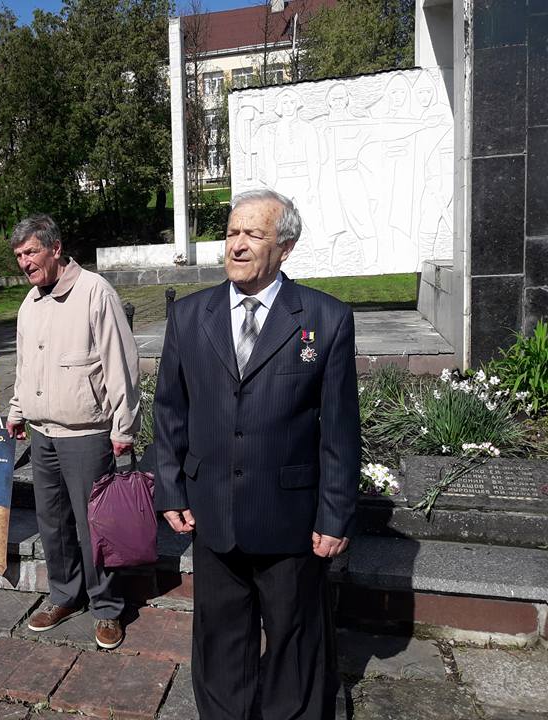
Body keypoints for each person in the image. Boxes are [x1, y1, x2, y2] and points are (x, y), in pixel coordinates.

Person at [153, 189, 360, 719]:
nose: (237, 245)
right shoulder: (189, 316)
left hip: (289, 519)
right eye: (231, 232)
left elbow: (339, 430)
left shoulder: (326, 318)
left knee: (294, 645)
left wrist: (335, 514)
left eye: (253, 234)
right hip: (212, 513)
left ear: (285, 247)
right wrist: (170, 487)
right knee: (220, 643)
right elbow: (170, 409)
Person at [5, 214, 140, 650]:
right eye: (19, 256)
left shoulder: (95, 292)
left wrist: (124, 427)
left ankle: (107, 608)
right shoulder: (30, 303)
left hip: (87, 434)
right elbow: (24, 365)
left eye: (31, 252)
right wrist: (17, 410)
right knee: (53, 523)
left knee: (95, 525)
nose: (24, 263)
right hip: (42, 433)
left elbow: (121, 363)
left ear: (56, 248)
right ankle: (64, 595)